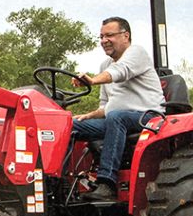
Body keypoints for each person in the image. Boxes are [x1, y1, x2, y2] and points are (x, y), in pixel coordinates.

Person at [71, 17, 165, 202]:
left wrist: (92, 80)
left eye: (109, 35)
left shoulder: (137, 53)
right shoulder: (105, 65)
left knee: (116, 117)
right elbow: (105, 106)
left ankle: (107, 183)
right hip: (117, 119)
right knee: (69, 125)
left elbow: (120, 72)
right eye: (101, 36)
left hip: (148, 117)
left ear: (125, 36)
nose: (104, 40)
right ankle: (59, 183)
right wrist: (87, 116)